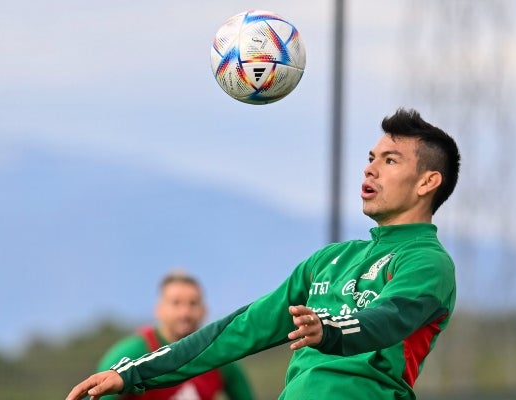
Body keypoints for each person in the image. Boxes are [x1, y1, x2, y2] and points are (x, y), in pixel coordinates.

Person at [66, 108, 461, 400]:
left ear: (428, 181)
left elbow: (389, 319)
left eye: (390, 160)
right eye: (370, 159)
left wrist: (331, 330)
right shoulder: (329, 260)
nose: (370, 170)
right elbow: (242, 329)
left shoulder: (427, 262)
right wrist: (131, 373)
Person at [94, 270, 254, 400]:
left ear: (204, 310)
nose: (185, 312)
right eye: (176, 303)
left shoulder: (219, 355)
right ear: (159, 309)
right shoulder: (132, 353)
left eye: (193, 303)